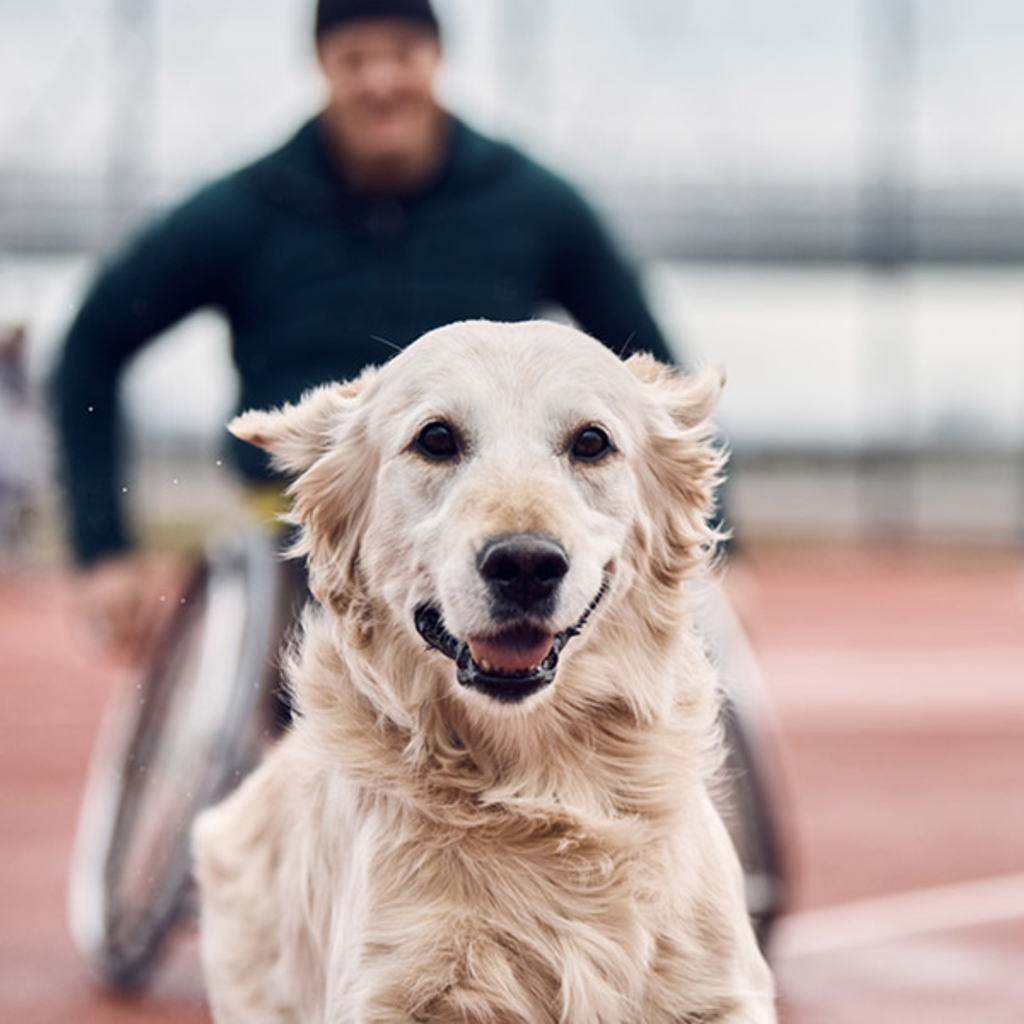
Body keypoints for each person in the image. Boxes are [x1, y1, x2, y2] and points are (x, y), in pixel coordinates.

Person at [54, 0, 677, 662]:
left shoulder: (534, 204)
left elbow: (659, 386)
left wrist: (725, 548)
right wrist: (104, 548)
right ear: (323, 66)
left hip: (499, 516)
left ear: (436, 60)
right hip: (300, 530)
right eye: (355, 60)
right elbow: (92, 342)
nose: (381, 81)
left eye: (402, 56)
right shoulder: (248, 210)